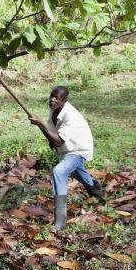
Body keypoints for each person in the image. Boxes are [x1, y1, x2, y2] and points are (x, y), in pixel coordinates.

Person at [29, 85, 103, 230]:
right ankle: (96, 190)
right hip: (66, 150)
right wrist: (44, 130)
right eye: (52, 96)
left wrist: (41, 124)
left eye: (57, 98)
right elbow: (53, 136)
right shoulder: (54, 111)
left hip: (78, 149)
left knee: (59, 172)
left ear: (64, 100)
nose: (52, 100)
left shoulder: (70, 115)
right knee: (76, 171)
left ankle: (60, 222)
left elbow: (58, 140)